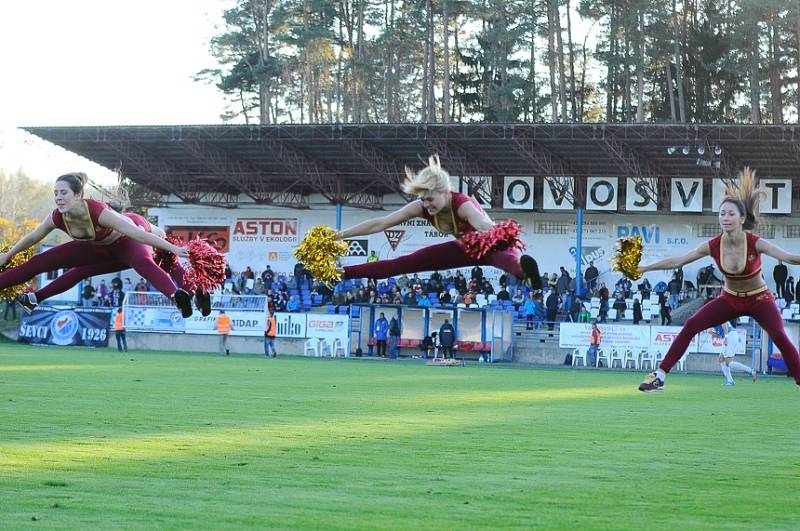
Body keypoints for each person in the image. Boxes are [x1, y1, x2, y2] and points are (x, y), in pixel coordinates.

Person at [638, 168, 800, 392]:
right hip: (730, 299)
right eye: (722, 213)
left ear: (742, 218)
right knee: (691, 326)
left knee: (780, 335)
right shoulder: (713, 245)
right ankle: (660, 376)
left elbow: (789, 258)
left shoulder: (755, 242)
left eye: (731, 214)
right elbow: (679, 261)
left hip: (760, 299)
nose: (725, 218)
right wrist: (646, 268)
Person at [0, 172, 197, 318]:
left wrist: (174, 249)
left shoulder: (99, 212)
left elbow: (140, 234)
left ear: (78, 195)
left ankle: (178, 297)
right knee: (40, 261)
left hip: (127, 245)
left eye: (63, 192)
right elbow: (33, 236)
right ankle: (33, 298)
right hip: (97, 249)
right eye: (56, 193)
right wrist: (7, 255)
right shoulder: (57, 216)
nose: (58, 197)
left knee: (145, 263)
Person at [332, 155, 541, 289]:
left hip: (489, 245)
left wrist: (499, 235)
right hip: (464, 249)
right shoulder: (421, 206)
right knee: (405, 263)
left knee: (509, 261)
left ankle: (527, 273)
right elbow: (380, 223)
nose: (426, 204)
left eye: (430, 198)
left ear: (445, 192)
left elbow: (485, 226)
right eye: (422, 199)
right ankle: (342, 274)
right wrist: (340, 235)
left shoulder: (463, 204)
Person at [718, 321, 756, 386]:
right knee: (721, 358)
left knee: (728, 362)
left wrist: (726, 338)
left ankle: (751, 371)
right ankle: (730, 381)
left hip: (730, 336)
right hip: (730, 335)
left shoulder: (717, 316)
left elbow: (724, 324)